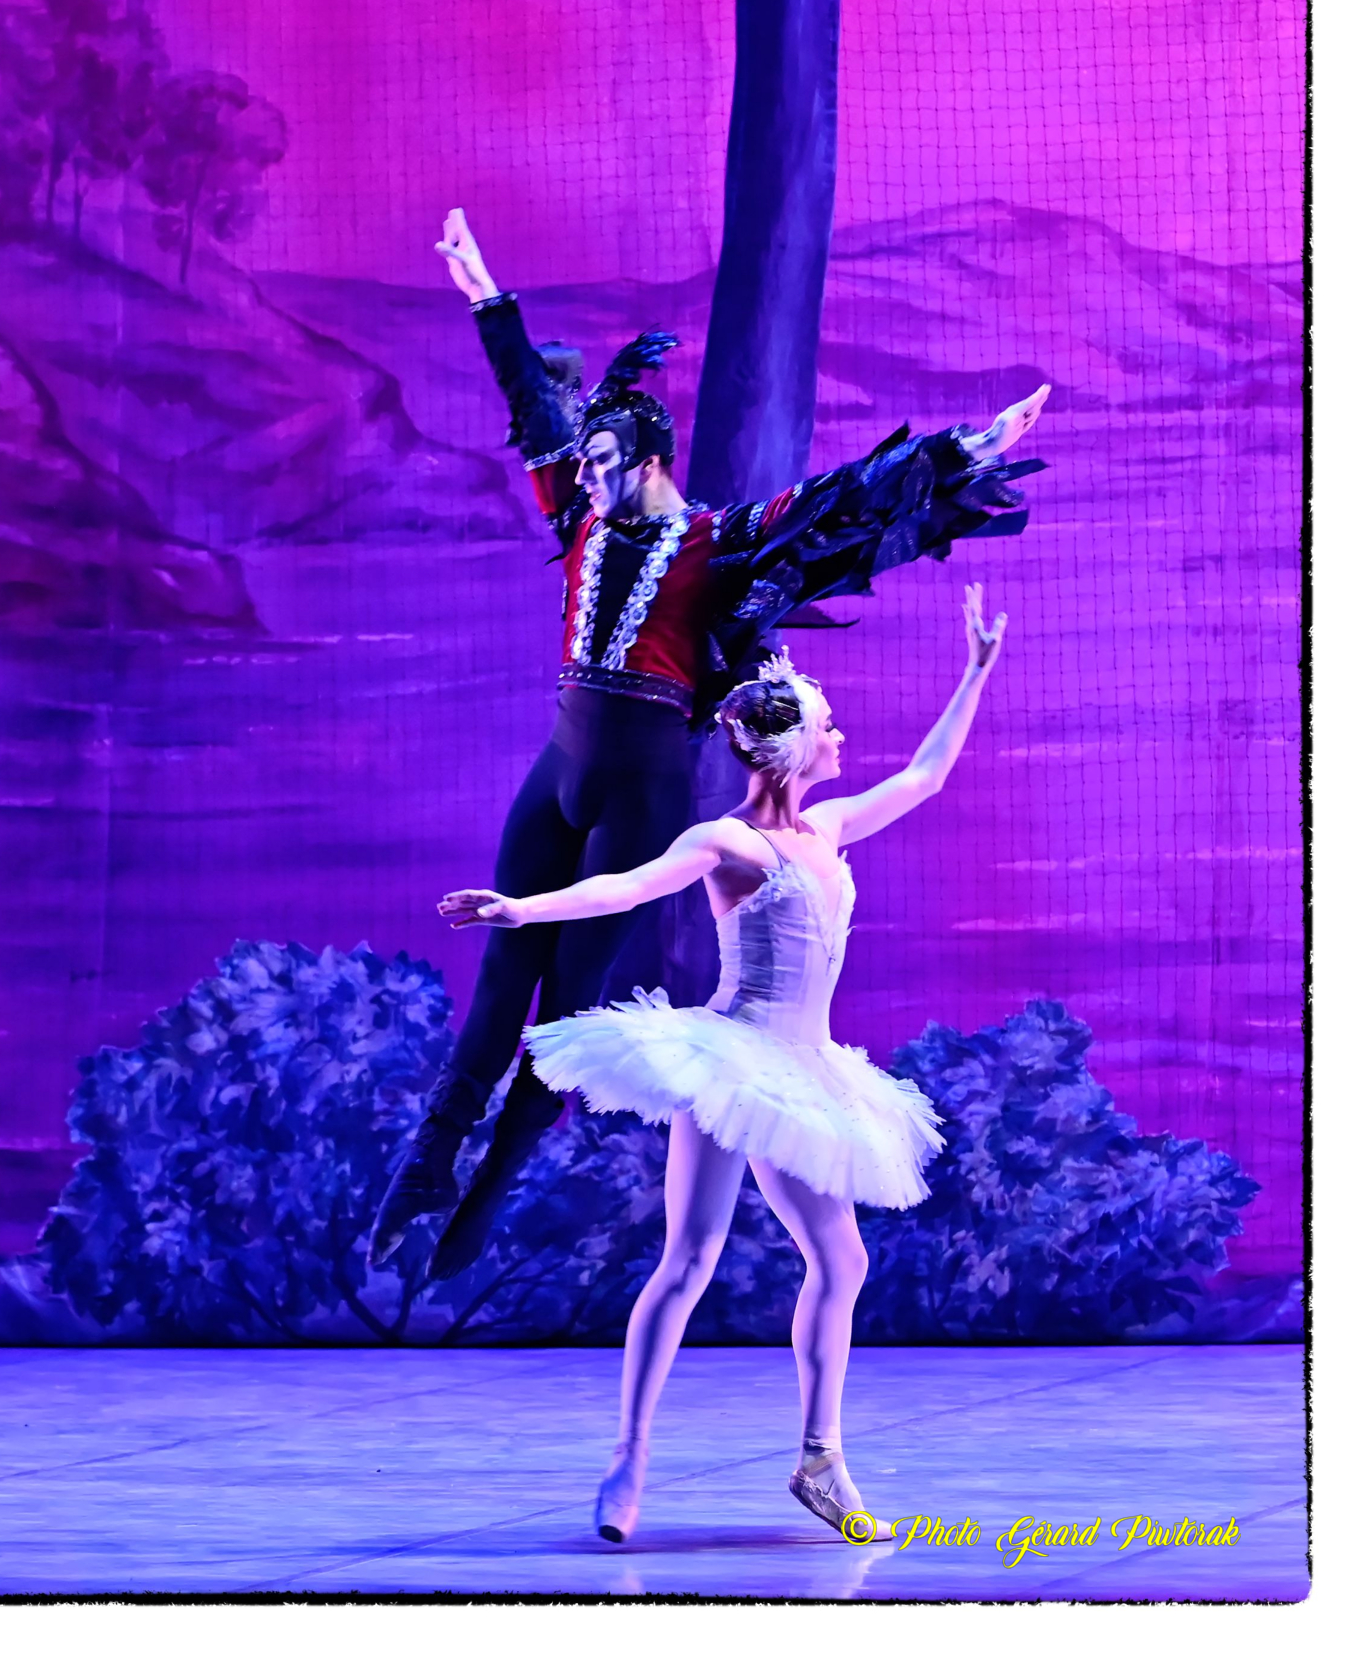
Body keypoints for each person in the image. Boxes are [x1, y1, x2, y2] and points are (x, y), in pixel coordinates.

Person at [371, 207, 1046, 1279]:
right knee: (502, 970)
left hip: (639, 788)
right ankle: (428, 1162)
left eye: (602, 462)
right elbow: (530, 407)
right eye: (583, 462)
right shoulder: (579, 518)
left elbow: (840, 499)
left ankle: (492, 1184)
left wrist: (966, 450)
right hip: (559, 770)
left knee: (568, 1000)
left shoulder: (711, 540)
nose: (584, 475)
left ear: (646, 459)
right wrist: (485, 296)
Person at [437, 589, 1009, 1544]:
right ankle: (628, 1457)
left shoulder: (827, 829)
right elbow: (625, 885)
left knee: (842, 1257)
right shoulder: (727, 843)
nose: (840, 738)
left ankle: (820, 1459)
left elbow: (925, 776)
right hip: (733, 1058)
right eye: (828, 727)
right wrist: (522, 909)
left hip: (807, 1070)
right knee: (690, 1255)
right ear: (791, 748)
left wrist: (976, 671)